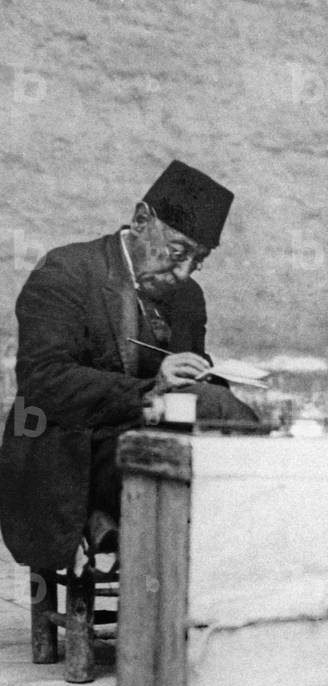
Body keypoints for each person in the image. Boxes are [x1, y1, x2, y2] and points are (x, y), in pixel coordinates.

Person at [0, 159, 258, 572]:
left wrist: (203, 374)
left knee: (226, 433)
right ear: (141, 220)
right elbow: (42, 382)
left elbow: (190, 384)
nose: (185, 272)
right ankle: (166, 586)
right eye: (178, 253)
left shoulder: (188, 298)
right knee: (203, 476)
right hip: (73, 451)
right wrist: (149, 389)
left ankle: (187, 591)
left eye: (199, 260)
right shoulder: (66, 272)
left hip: (155, 441)